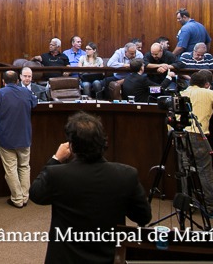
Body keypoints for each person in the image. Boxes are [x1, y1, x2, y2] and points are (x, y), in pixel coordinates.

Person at [30, 112, 151, 263]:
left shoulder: (57, 175)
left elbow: (36, 194)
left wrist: (56, 159)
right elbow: (143, 217)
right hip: (109, 258)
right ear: (103, 142)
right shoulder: (126, 175)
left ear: (71, 146)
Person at [179, 70, 213, 218]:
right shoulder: (208, 93)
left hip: (180, 135)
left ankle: (187, 205)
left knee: (184, 171)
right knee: (205, 172)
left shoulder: (182, 93)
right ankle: (211, 208)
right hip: (197, 136)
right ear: (208, 84)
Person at [0, 70, 36, 209]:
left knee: (11, 169)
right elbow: (34, 104)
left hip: (7, 138)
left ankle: (17, 199)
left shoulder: (0, 93)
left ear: (3, 82)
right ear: (17, 80)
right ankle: (25, 197)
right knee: (24, 167)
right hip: (25, 137)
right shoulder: (26, 92)